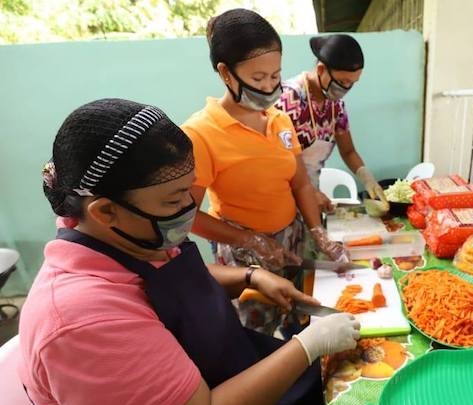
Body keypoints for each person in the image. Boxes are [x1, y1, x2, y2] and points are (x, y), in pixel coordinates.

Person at [18, 98, 360, 405]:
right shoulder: (83, 323)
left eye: (190, 190)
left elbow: (171, 279)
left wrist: (249, 277)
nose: (189, 207)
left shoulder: (133, 233)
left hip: (232, 365)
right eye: (174, 199)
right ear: (105, 211)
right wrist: (308, 345)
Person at [181, 9, 348, 334]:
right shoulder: (200, 133)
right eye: (258, 79)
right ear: (225, 73)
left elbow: (300, 183)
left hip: (293, 239)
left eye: (275, 76)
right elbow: (187, 216)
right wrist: (250, 239)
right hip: (246, 255)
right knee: (260, 335)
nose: (270, 87)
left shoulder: (279, 119)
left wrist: (318, 232)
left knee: (302, 319)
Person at [276, 34, 387, 212]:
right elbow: (276, 160)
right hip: (281, 197)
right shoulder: (289, 99)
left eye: (352, 83)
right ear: (321, 70)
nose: (345, 89)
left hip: (310, 199)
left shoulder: (336, 107)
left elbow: (348, 151)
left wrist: (367, 178)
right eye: (342, 82)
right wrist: (309, 191)